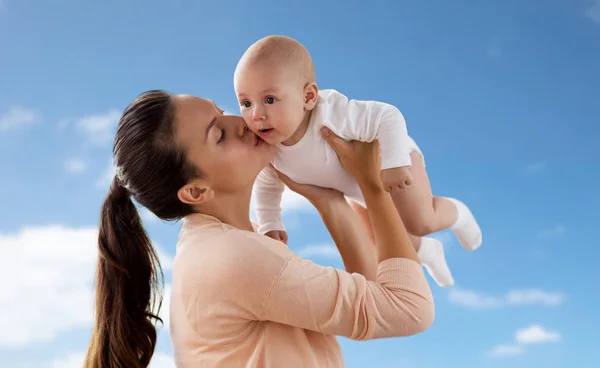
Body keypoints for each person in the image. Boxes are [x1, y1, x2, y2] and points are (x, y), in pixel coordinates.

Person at [83, 90, 435, 368]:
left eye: (220, 110)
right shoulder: (234, 259)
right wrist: (372, 183)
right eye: (219, 135)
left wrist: (327, 199)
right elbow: (408, 309)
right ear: (195, 191)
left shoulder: (220, 245)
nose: (241, 122)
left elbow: (373, 299)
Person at [234, 35, 483, 288]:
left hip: (391, 160)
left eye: (269, 100)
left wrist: (395, 163)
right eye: (245, 103)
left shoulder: (331, 114)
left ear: (308, 97)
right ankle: (429, 252)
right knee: (384, 241)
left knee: (419, 221)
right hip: (357, 190)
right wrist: (270, 223)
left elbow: (387, 116)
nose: (256, 115)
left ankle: (458, 214)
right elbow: (267, 183)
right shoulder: (269, 148)